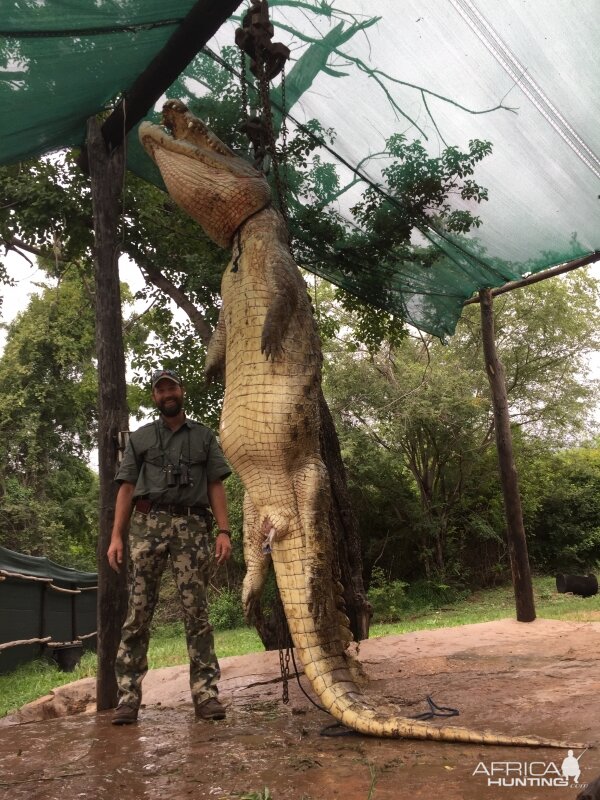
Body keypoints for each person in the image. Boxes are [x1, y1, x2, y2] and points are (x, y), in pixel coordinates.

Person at [107, 367, 232, 725]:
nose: (167, 395)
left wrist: (224, 531)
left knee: (197, 613)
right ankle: (128, 698)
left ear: (182, 391)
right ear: (154, 397)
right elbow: (126, 488)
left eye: (171, 388)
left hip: (192, 527)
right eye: (160, 390)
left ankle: (206, 695)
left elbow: (215, 486)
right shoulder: (142, 438)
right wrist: (117, 536)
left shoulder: (204, 437)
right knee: (138, 614)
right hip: (147, 526)